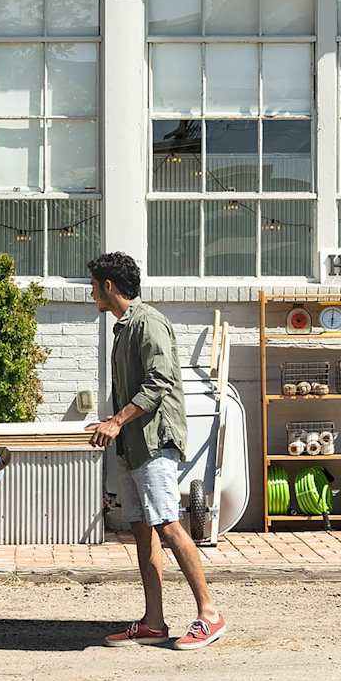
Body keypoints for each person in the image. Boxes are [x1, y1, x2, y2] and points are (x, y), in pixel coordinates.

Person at [86, 251, 225, 651]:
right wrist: (113, 425)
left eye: (94, 284)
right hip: (133, 444)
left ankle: (210, 614)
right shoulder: (123, 327)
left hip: (154, 442)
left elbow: (159, 381)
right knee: (142, 529)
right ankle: (154, 622)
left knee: (167, 524)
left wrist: (116, 421)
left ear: (108, 286)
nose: (91, 292)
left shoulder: (148, 323)